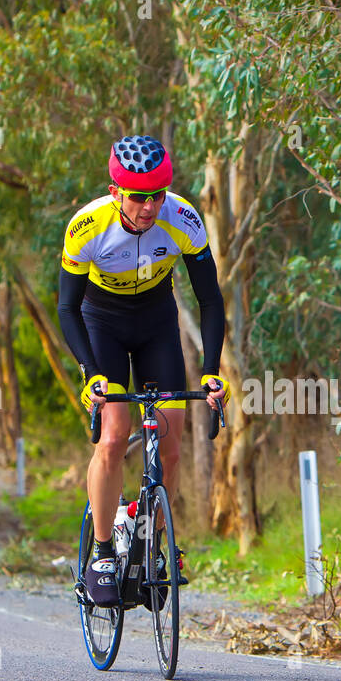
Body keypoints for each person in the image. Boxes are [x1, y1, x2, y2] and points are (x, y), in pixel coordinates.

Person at [56, 135, 229, 606]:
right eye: (138, 196)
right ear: (116, 193)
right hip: (101, 326)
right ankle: (105, 552)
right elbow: (67, 309)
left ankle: (150, 544)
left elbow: (210, 301)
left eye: (158, 194)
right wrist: (90, 372)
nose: (150, 206)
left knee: (171, 446)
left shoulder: (183, 219)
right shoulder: (87, 227)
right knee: (113, 434)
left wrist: (211, 371)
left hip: (156, 325)